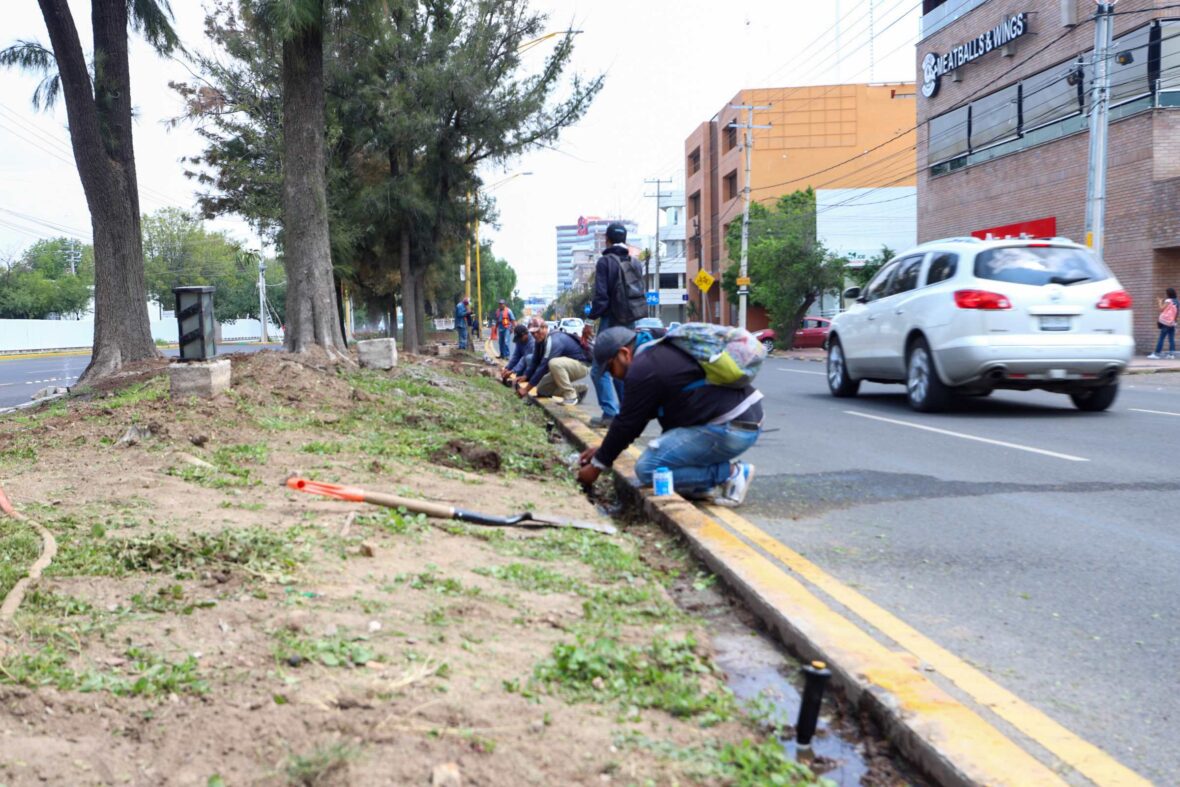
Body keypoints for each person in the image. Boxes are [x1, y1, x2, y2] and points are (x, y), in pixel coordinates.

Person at [575, 327, 762, 507]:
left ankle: (732, 473)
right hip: (741, 422)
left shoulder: (643, 368)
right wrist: (602, 451)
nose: (612, 375)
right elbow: (635, 418)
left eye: (610, 368)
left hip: (731, 426)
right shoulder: (654, 356)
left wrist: (597, 466)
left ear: (624, 353)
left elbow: (627, 424)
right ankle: (700, 484)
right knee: (665, 450)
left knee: (649, 469)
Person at [586, 222, 647, 429]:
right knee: (623, 366)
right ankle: (626, 413)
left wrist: (589, 320)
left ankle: (610, 413)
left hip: (611, 320)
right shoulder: (636, 263)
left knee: (599, 369)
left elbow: (601, 297)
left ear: (607, 239)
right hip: (630, 321)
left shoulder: (605, 262)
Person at [516, 317, 589, 405]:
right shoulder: (539, 341)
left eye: (537, 331)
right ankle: (579, 390)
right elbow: (535, 361)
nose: (535, 335)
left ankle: (571, 396)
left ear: (545, 328)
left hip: (581, 365)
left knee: (553, 363)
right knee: (543, 389)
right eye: (532, 333)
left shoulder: (553, 340)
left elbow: (543, 367)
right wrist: (526, 376)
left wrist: (526, 389)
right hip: (565, 365)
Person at [1149, 287, 1178, 360]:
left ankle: (1157, 354)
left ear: (1168, 293)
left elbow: (1161, 309)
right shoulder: (1177, 301)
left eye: (1166, 293)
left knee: (1161, 338)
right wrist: (1175, 321)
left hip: (1165, 322)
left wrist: (1159, 302)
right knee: (1171, 338)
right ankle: (1171, 355)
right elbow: (1177, 313)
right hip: (1172, 322)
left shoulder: (1168, 300)